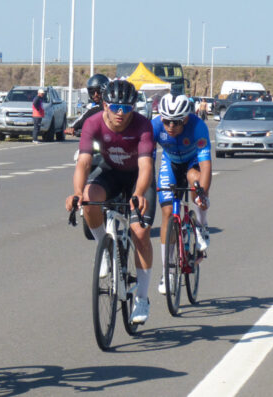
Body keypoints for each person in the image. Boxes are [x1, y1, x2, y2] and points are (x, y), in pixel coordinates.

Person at [64, 79, 156, 324]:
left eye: (126, 108)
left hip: (138, 178)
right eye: (115, 107)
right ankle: (104, 247)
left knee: (140, 233)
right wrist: (76, 192)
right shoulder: (93, 123)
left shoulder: (142, 125)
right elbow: (84, 162)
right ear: (105, 105)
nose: (120, 113)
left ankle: (142, 299)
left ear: (133, 107)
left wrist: (139, 193)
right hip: (111, 172)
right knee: (88, 198)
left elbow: (146, 166)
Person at [151, 94, 212, 295]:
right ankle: (167, 271)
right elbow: (146, 161)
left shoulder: (197, 127)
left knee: (196, 182)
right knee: (167, 212)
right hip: (170, 162)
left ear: (185, 118)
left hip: (192, 162)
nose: (170, 126)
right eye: (166, 121)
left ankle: (201, 226)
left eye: (176, 122)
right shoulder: (155, 126)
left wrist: (202, 195)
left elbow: (206, 165)